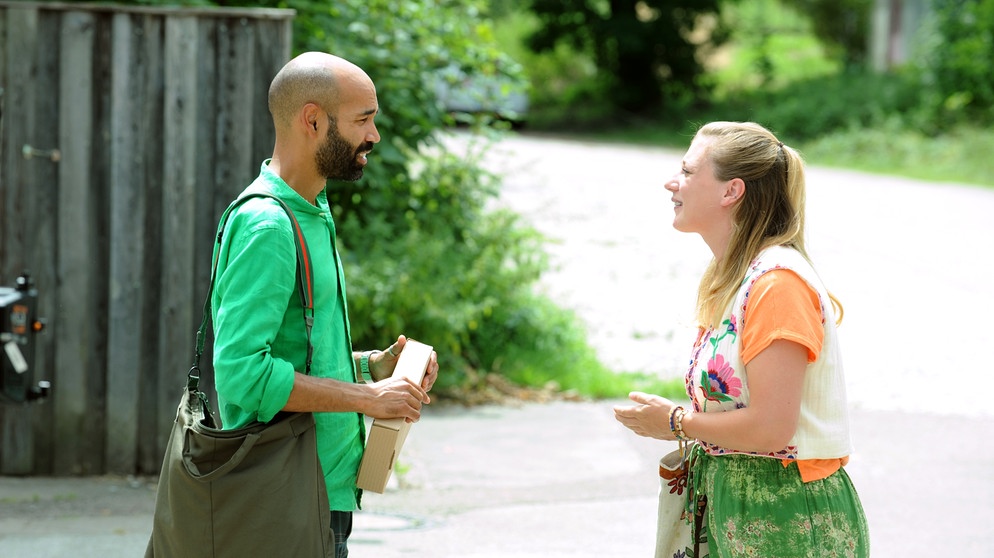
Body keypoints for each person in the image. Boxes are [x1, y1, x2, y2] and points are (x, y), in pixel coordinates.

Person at [210, 51, 439, 558]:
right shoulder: (269, 225)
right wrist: (367, 399)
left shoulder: (311, 210)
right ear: (312, 119)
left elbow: (296, 355)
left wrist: (371, 367)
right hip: (284, 498)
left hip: (318, 490)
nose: (374, 136)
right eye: (363, 119)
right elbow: (241, 374)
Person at [614, 121, 869, 557]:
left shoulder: (777, 284)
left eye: (689, 171)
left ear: (731, 192)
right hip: (738, 508)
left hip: (786, 516)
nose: (671, 182)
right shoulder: (734, 277)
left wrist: (676, 422)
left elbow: (771, 428)